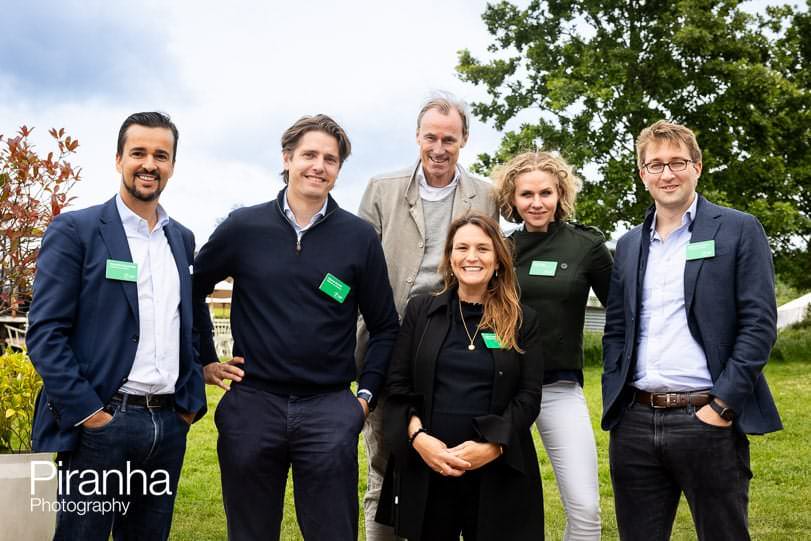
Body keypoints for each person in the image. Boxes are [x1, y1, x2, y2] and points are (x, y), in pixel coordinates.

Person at [193, 114, 400, 541]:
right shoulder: (243, 227)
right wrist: (205, 361)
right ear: (287, 158)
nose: (318, 166)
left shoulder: (358, 237)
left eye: (331, 159)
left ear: (339, 169)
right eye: (309, 155)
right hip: (253, 404)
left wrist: (363, 398)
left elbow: (385, 326)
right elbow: (191, 288)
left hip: (328, 409)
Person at [26, 111, 206, 540]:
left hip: (166, 426)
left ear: (173, 165)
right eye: (138, 152)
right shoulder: (76, 231)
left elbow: (190, 325)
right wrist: (90, 413)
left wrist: (188, 402)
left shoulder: (180, 239)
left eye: (160, 155)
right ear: (118, 159)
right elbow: (45, 332)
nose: (149, 164)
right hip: (102, 425)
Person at [602, 120, 783, 540]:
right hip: (635, 423)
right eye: (655, 165)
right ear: (642, 174)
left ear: (697, 167)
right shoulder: (629, 245)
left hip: (706, 419)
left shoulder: (738, 230)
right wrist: (618, 395)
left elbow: (759, 323)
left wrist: (722, 407)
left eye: (677, 162)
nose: (667, 174)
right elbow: (617, 327)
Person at [357, 91, 497, 541]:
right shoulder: (382, 189)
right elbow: (354, 266)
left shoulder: (486, 195)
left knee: (447, 458)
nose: (439, 148)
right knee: (384, 463)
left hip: (454, 344)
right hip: (387, 341)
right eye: (431, 137)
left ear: (464, 141)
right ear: (417, 137)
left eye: (449, 139)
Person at [375, 213, 544, 540]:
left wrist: (494, 446)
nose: (471, 257)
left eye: (482, 248)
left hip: (496, 469)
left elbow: (528, 396)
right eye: (462, 247)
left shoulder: (523, 320)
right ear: (450, 257)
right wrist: (418, 439)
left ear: (497, 259)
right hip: (430, 466)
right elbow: (397, 385)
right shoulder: (421, 310)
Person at [493, 151, 612, 540]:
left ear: (561, 194)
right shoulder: (500, 249)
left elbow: (623, 311)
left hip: (558, 388)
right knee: (498, 511)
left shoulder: (587, 246)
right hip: (501, 390)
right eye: (526, 194)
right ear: (512, 199)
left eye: (546, 192)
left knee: (586, 507)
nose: (536, 202)